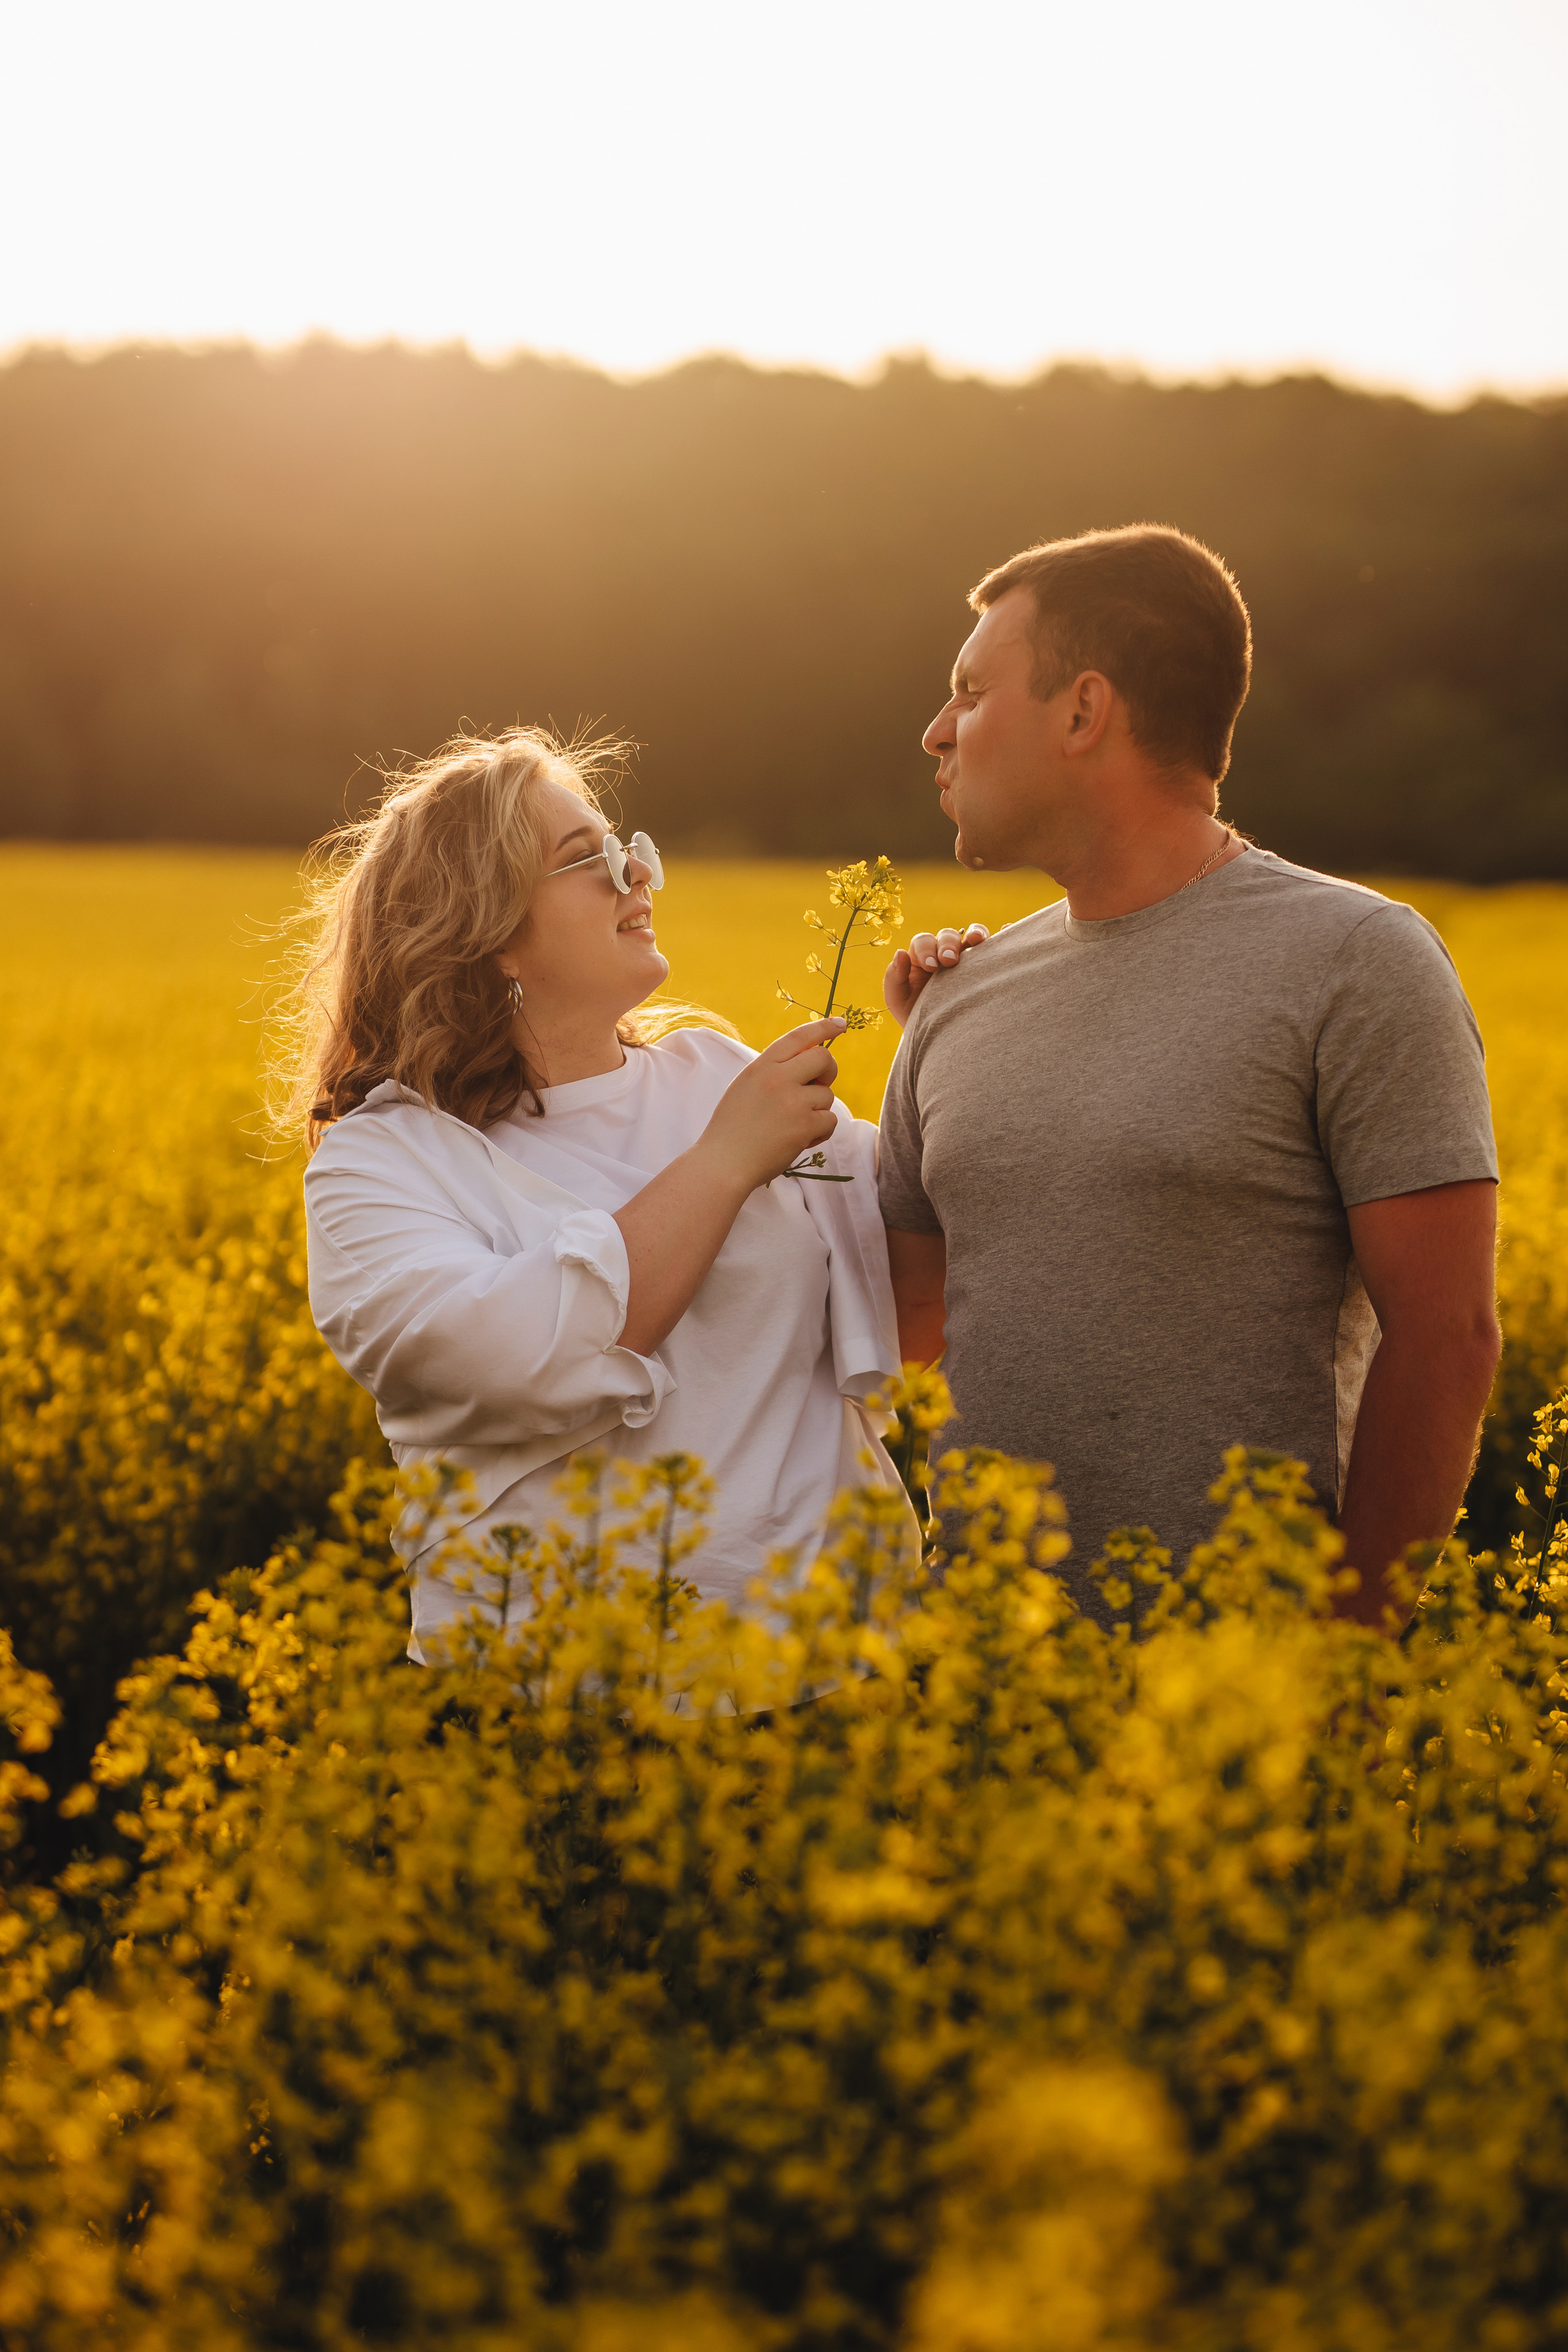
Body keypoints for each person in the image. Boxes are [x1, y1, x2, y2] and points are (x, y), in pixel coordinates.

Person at [877, 525, 1501, 1629]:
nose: (935, 732)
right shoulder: (952, 999)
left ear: (1083, 711)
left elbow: (1447, 1334)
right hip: (978, 1697)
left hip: (1242, 1701)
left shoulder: (1359, 960)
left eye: (971, 692)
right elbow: (906, 1327)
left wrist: (1340, 1662)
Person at [289, 729, 982, 1662]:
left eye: (631, 846)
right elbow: (526, 1358)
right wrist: (725, 1160)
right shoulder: (383, 1163)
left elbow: (913, 1309)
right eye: (589, 860)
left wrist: (946, 1046)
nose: (637, 876)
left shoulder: (715, 1076)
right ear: (486, 932)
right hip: (556, 1705)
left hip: (824, 1673)